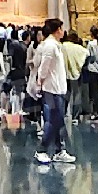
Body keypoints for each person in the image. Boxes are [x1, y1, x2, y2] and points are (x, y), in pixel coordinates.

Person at [30, 18, 72, 165]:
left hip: (58, 88)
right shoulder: (49, 46)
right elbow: (44, 67)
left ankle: (59, 150)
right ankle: (41, 150)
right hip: (51, 89)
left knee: (59, 120)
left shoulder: (56, 45)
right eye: (62, 28)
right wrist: (40, 82)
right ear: (57, 30)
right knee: (53, 120)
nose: (63, 31)